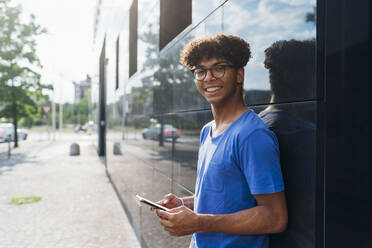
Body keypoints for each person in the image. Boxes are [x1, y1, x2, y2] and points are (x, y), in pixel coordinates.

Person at [153, 34, 288, 248]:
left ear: (239, 75)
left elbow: (274, 217)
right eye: (200, 71)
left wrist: (198, 222)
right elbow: (221, 200)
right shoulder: (208, 130)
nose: (209, 78)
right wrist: (183, 205)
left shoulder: (252, 136)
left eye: (219, 68)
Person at [259, 39, 316, 248]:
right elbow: (302, 216)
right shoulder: (301, 133)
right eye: (314, 72)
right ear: (290, 76)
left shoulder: (255, 125)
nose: (318, 80)